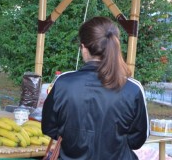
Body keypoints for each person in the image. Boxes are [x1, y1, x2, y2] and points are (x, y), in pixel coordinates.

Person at [42, 17, 149, 160]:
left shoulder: (63, 83)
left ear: (84, 48)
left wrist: (74, 140)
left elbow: (49, 127)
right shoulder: (133, 88)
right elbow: (137, 139)